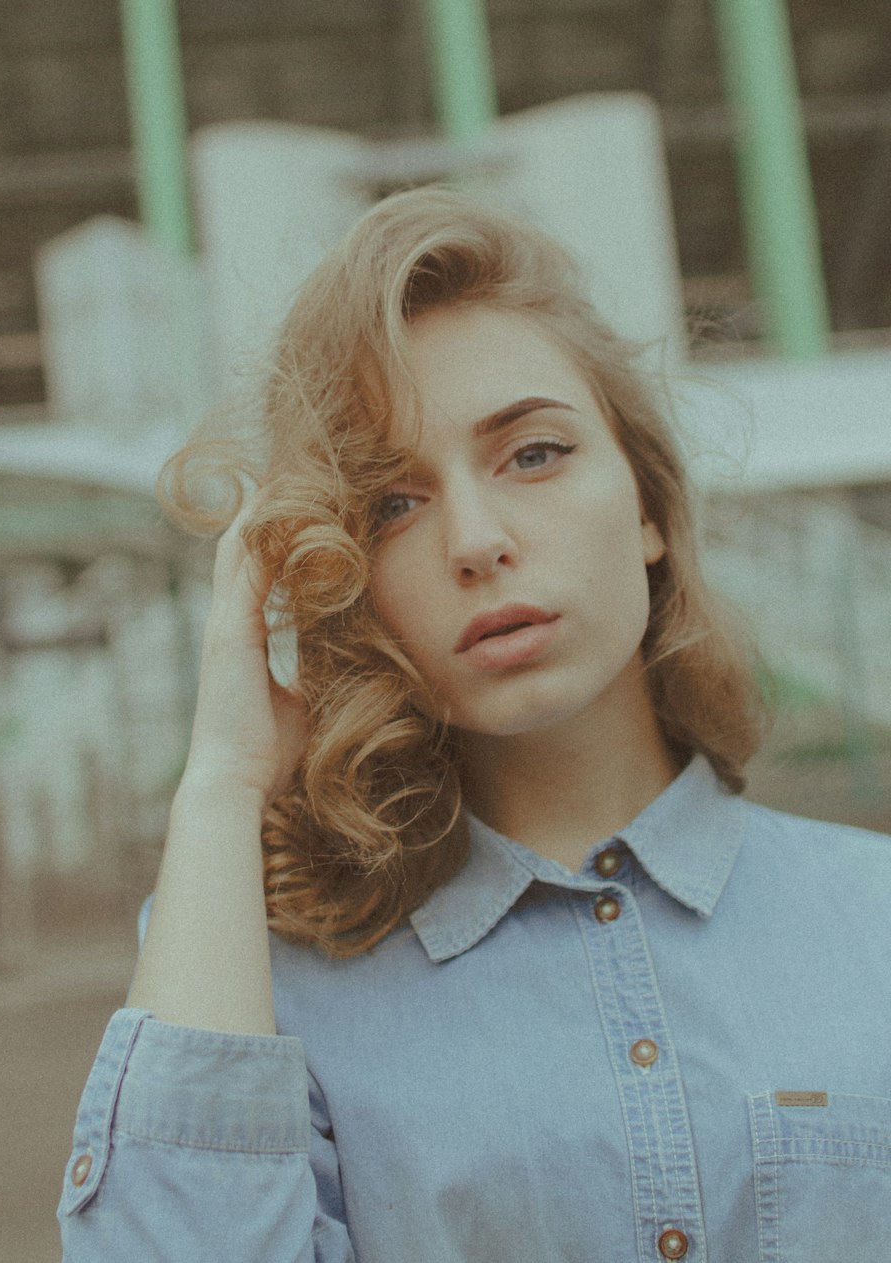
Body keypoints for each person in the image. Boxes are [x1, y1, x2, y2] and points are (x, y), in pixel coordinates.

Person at [58, 188, 891, 1262]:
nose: (476, 539)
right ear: (345, 578)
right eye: (390, 505)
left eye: (533, 454)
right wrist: (220, 782)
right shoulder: (250, 981)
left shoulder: (872, 922)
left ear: (644, 504)